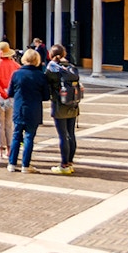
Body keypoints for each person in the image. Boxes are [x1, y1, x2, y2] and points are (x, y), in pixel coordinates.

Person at [7, 49, 50, 173]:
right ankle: (25, 165)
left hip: (19, 108)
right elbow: (46, 96)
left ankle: (12, 163)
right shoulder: (40, 75)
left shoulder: (16, 74)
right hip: (34, 109)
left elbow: (10, 93)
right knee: (29, 137)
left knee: (16, 136)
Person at [44, 44, 79, 175]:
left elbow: (46, 83)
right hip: (73, 104)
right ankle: (70, 162)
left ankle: (63, 164)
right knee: (71, 134)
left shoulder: (52, 68)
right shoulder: (71, 67)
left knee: (62, 136)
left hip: (59, 105)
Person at [0, 41, 20, 161]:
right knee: (8, 124)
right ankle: (9, 149)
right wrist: (9, 94)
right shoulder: (15, 65)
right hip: (11, 96)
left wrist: (2, 93)